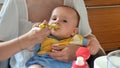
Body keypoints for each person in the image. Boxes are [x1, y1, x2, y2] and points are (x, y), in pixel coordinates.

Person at [0, 0, 103, 68]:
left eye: (64, 21)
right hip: (39, 62)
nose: (56, 22)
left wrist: (78, 51)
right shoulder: (15, 2)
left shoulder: (74, 1)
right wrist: (26, 40)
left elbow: (89, 39)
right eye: (53, 18)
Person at [26, 6, 90, 68]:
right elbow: (30, 47)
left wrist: (83, 49)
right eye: (54, 19)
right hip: (44, 62)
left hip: (69, 64)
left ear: (74, 31)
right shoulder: (43, 36)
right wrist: (35, 34)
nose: (56, 22)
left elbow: (91, 47)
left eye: (64, 21)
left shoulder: (77, 39)